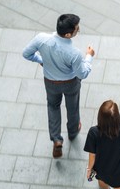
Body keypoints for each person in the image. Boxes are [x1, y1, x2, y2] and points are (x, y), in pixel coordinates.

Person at [23, 14, 95, 158]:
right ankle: (73, 132)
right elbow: (82, 74)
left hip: (50, 82)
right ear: (68, 34)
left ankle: (56, 139)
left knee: (53, 106)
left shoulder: (41, 39)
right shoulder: (74, 53)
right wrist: (89, 56)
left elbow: (26, 54)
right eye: (77, 29)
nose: (78, 30)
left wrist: (41, 60)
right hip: (70, 84)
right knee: (72, 107)